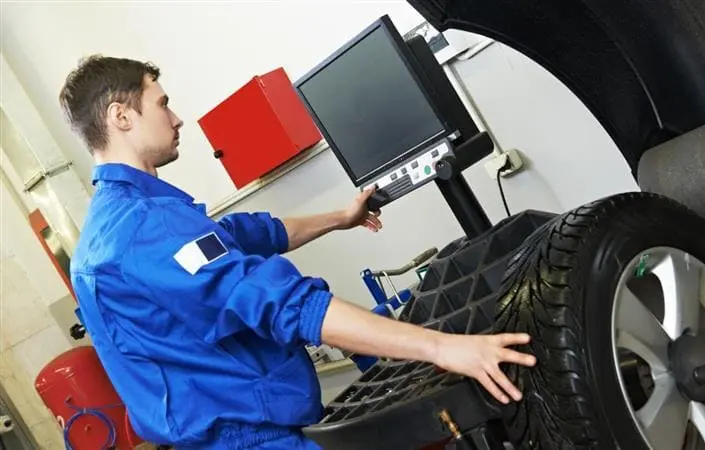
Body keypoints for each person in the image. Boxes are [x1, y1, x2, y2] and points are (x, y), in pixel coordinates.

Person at [60, 55, 537, 450]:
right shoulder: (146, 227)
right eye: (162, 103)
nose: (177, 117)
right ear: (121, 116)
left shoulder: (113, 228)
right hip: (248, 440)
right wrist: (442, 347)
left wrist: (341, 217)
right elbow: (280, 303)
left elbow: (246, 235)